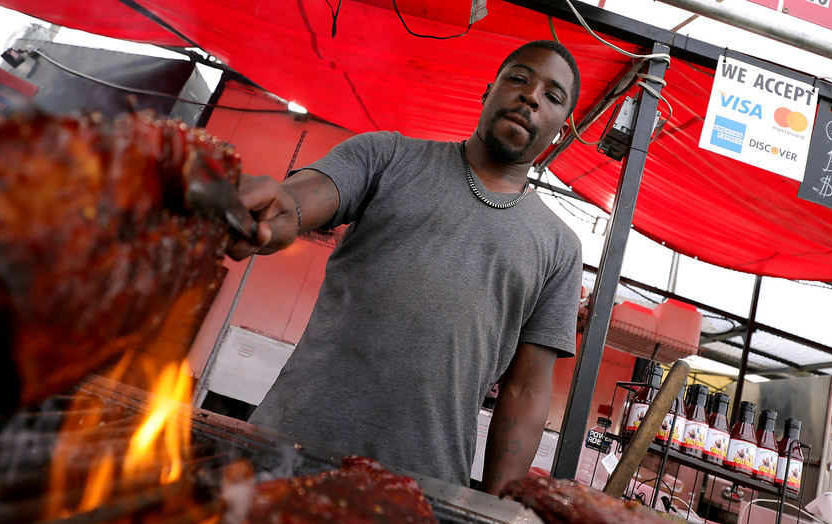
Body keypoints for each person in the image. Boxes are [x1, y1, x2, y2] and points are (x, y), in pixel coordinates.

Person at [234, 40, 583, 495]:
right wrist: (279, 209)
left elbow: (525, 392)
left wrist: (497, 512)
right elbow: (303, 198)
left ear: (559, 132)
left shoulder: (559, 247)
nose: (531, 96)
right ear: (487, 91)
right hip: (286, 454)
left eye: (553, 96)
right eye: (519, 78)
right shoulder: (388, 156)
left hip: (423, 494)